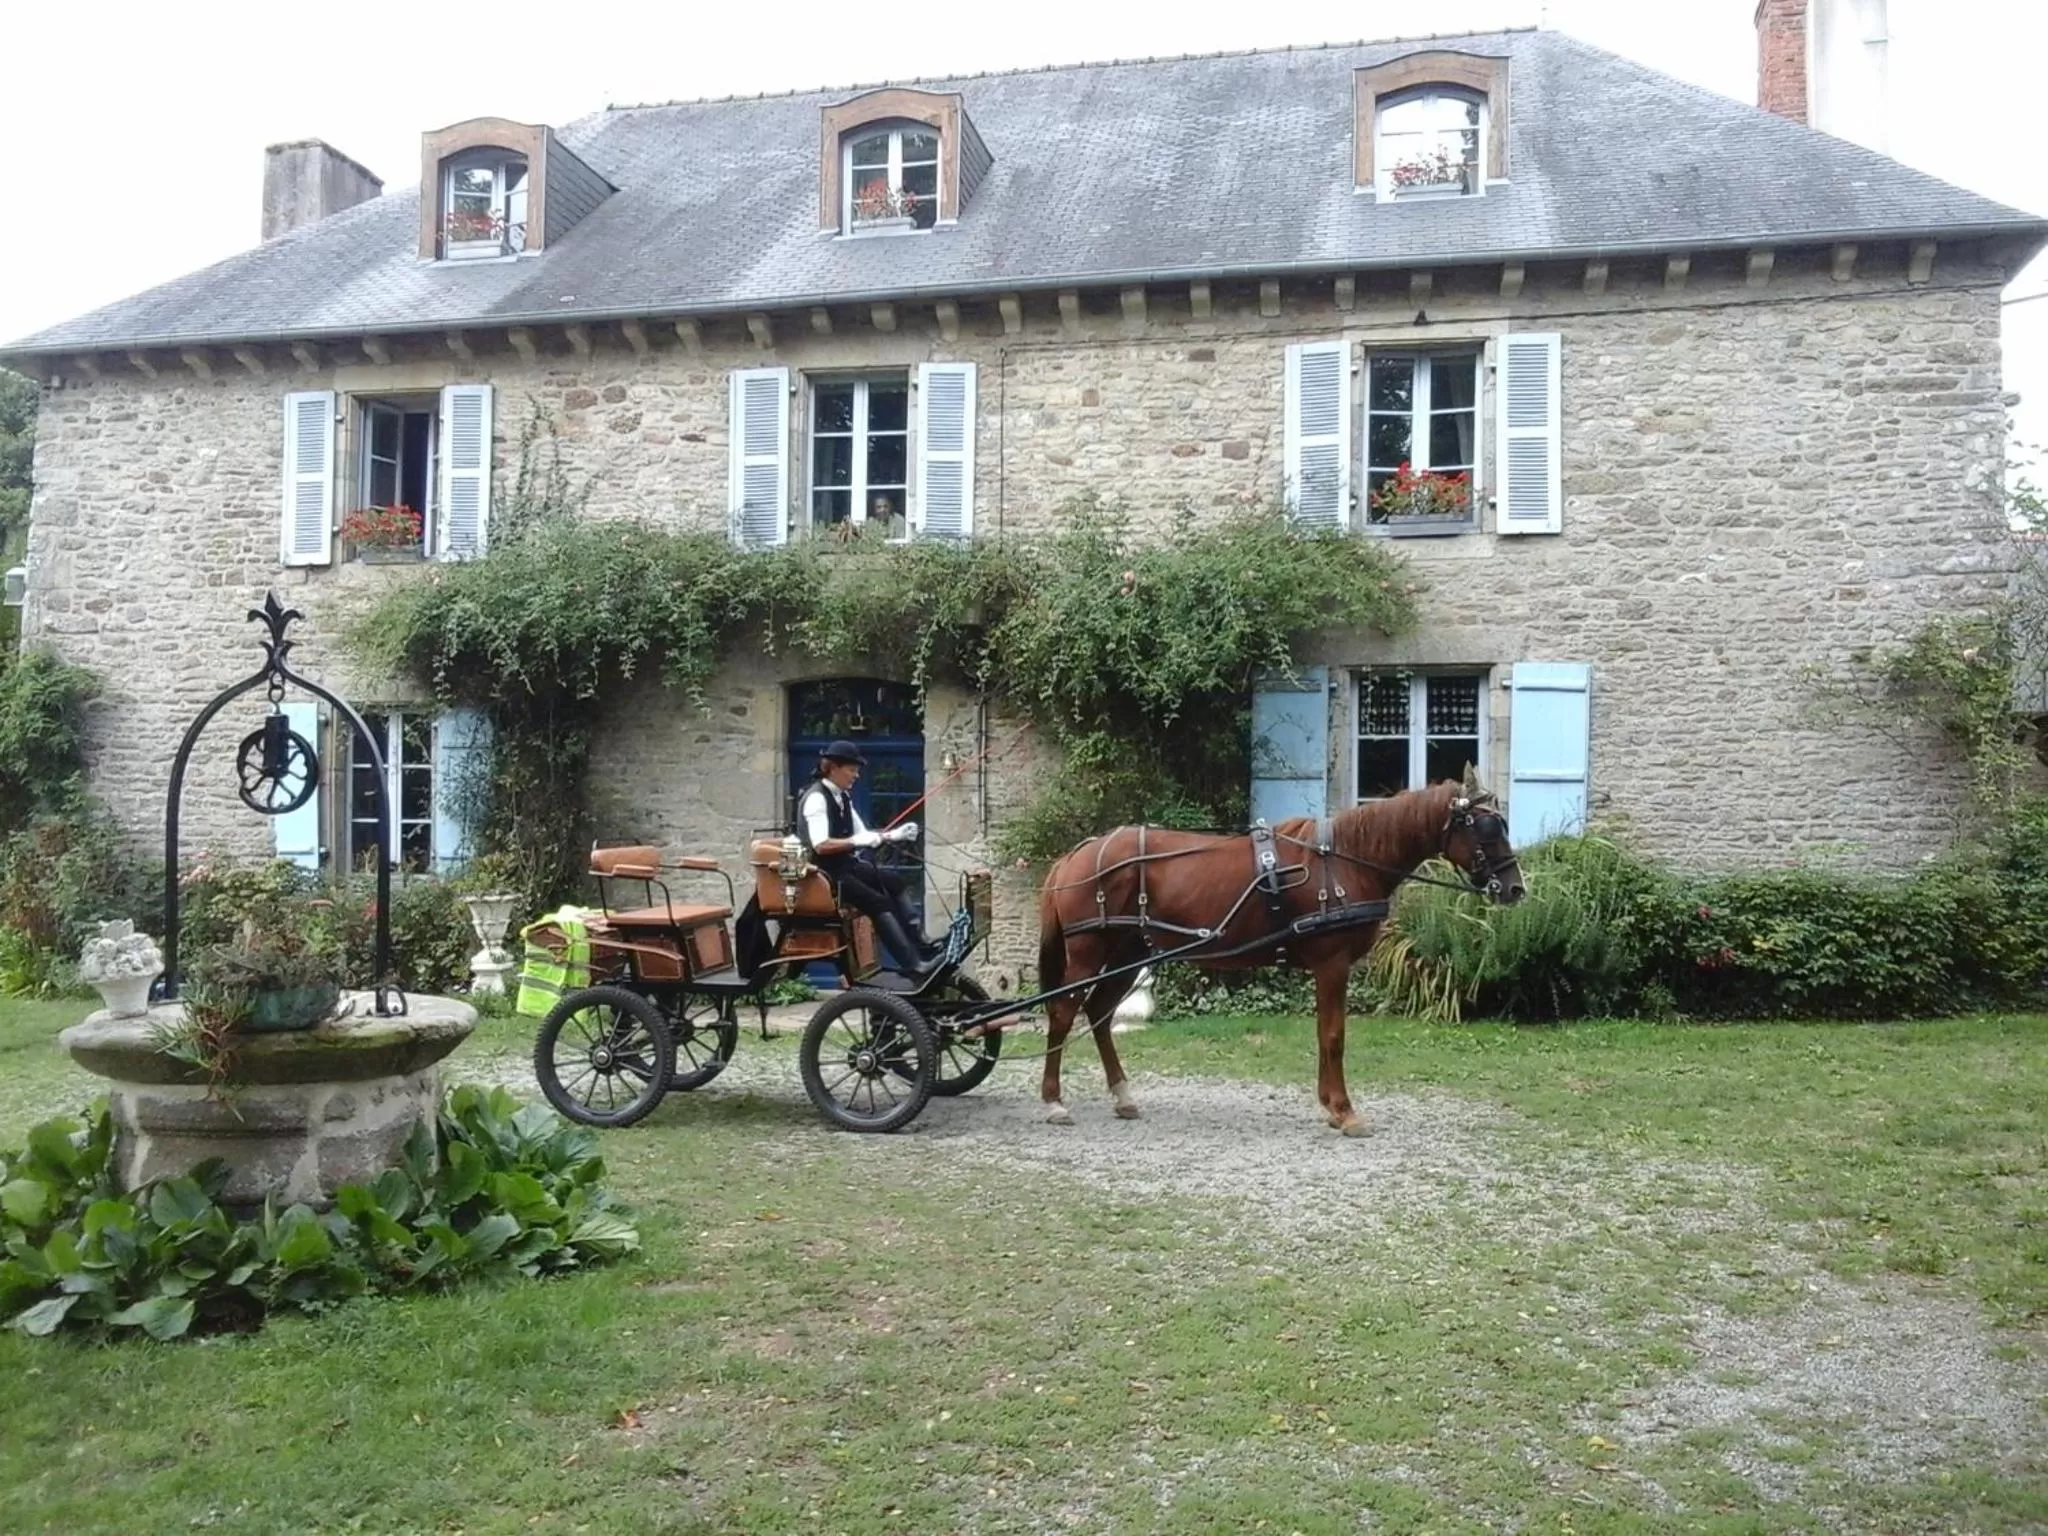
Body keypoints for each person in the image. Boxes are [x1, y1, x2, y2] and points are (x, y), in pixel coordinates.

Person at [795, 740, 943, 976]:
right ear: (833, 768)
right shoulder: (816, 798)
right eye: (852, 769)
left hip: (845, 866)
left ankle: (922, 943)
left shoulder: (843, 797)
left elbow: (862, 833)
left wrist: (892, 835)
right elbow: (821, 845)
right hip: (824, 874)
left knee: (893, 881)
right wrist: (857, 842)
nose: (856, 775)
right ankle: (912, 965)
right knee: (877, 902)